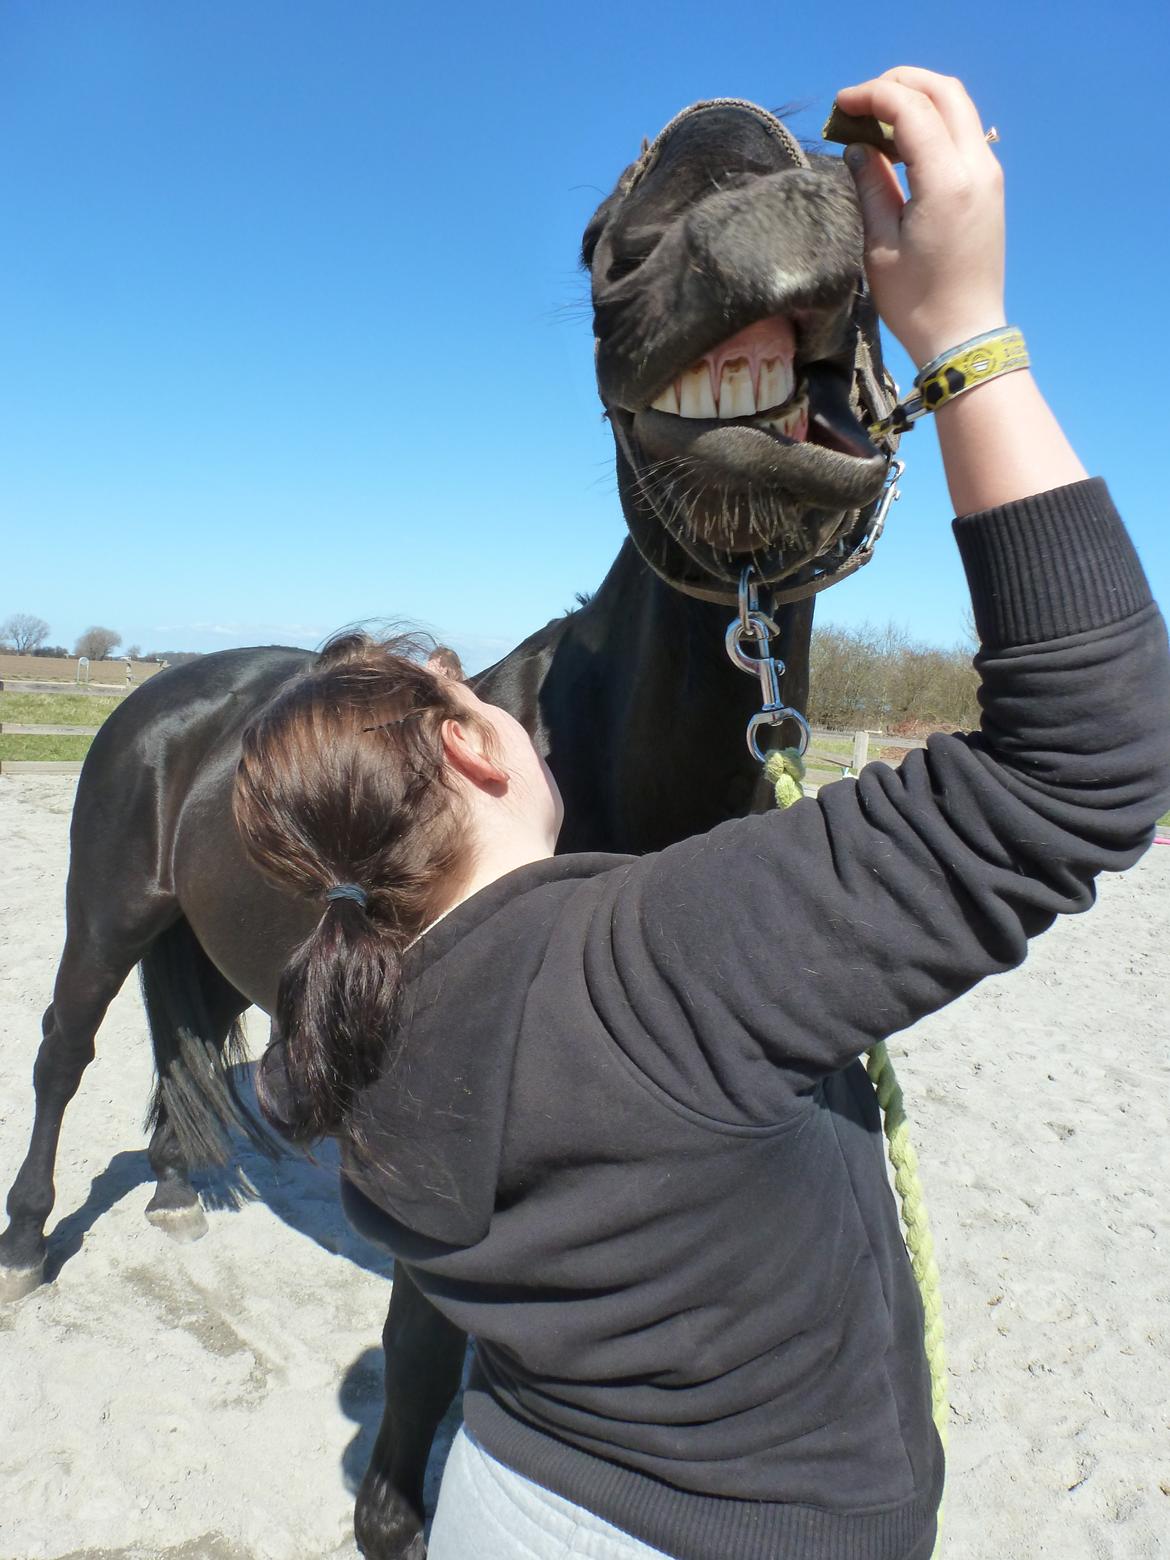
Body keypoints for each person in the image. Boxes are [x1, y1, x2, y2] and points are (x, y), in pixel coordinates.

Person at [232, 68, 1170, 1560]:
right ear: (481, 755)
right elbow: (1083, 768)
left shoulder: (347, 1041)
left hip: (504, 1498)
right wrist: (969, 343)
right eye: (482, 700)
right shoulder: (666, 971)